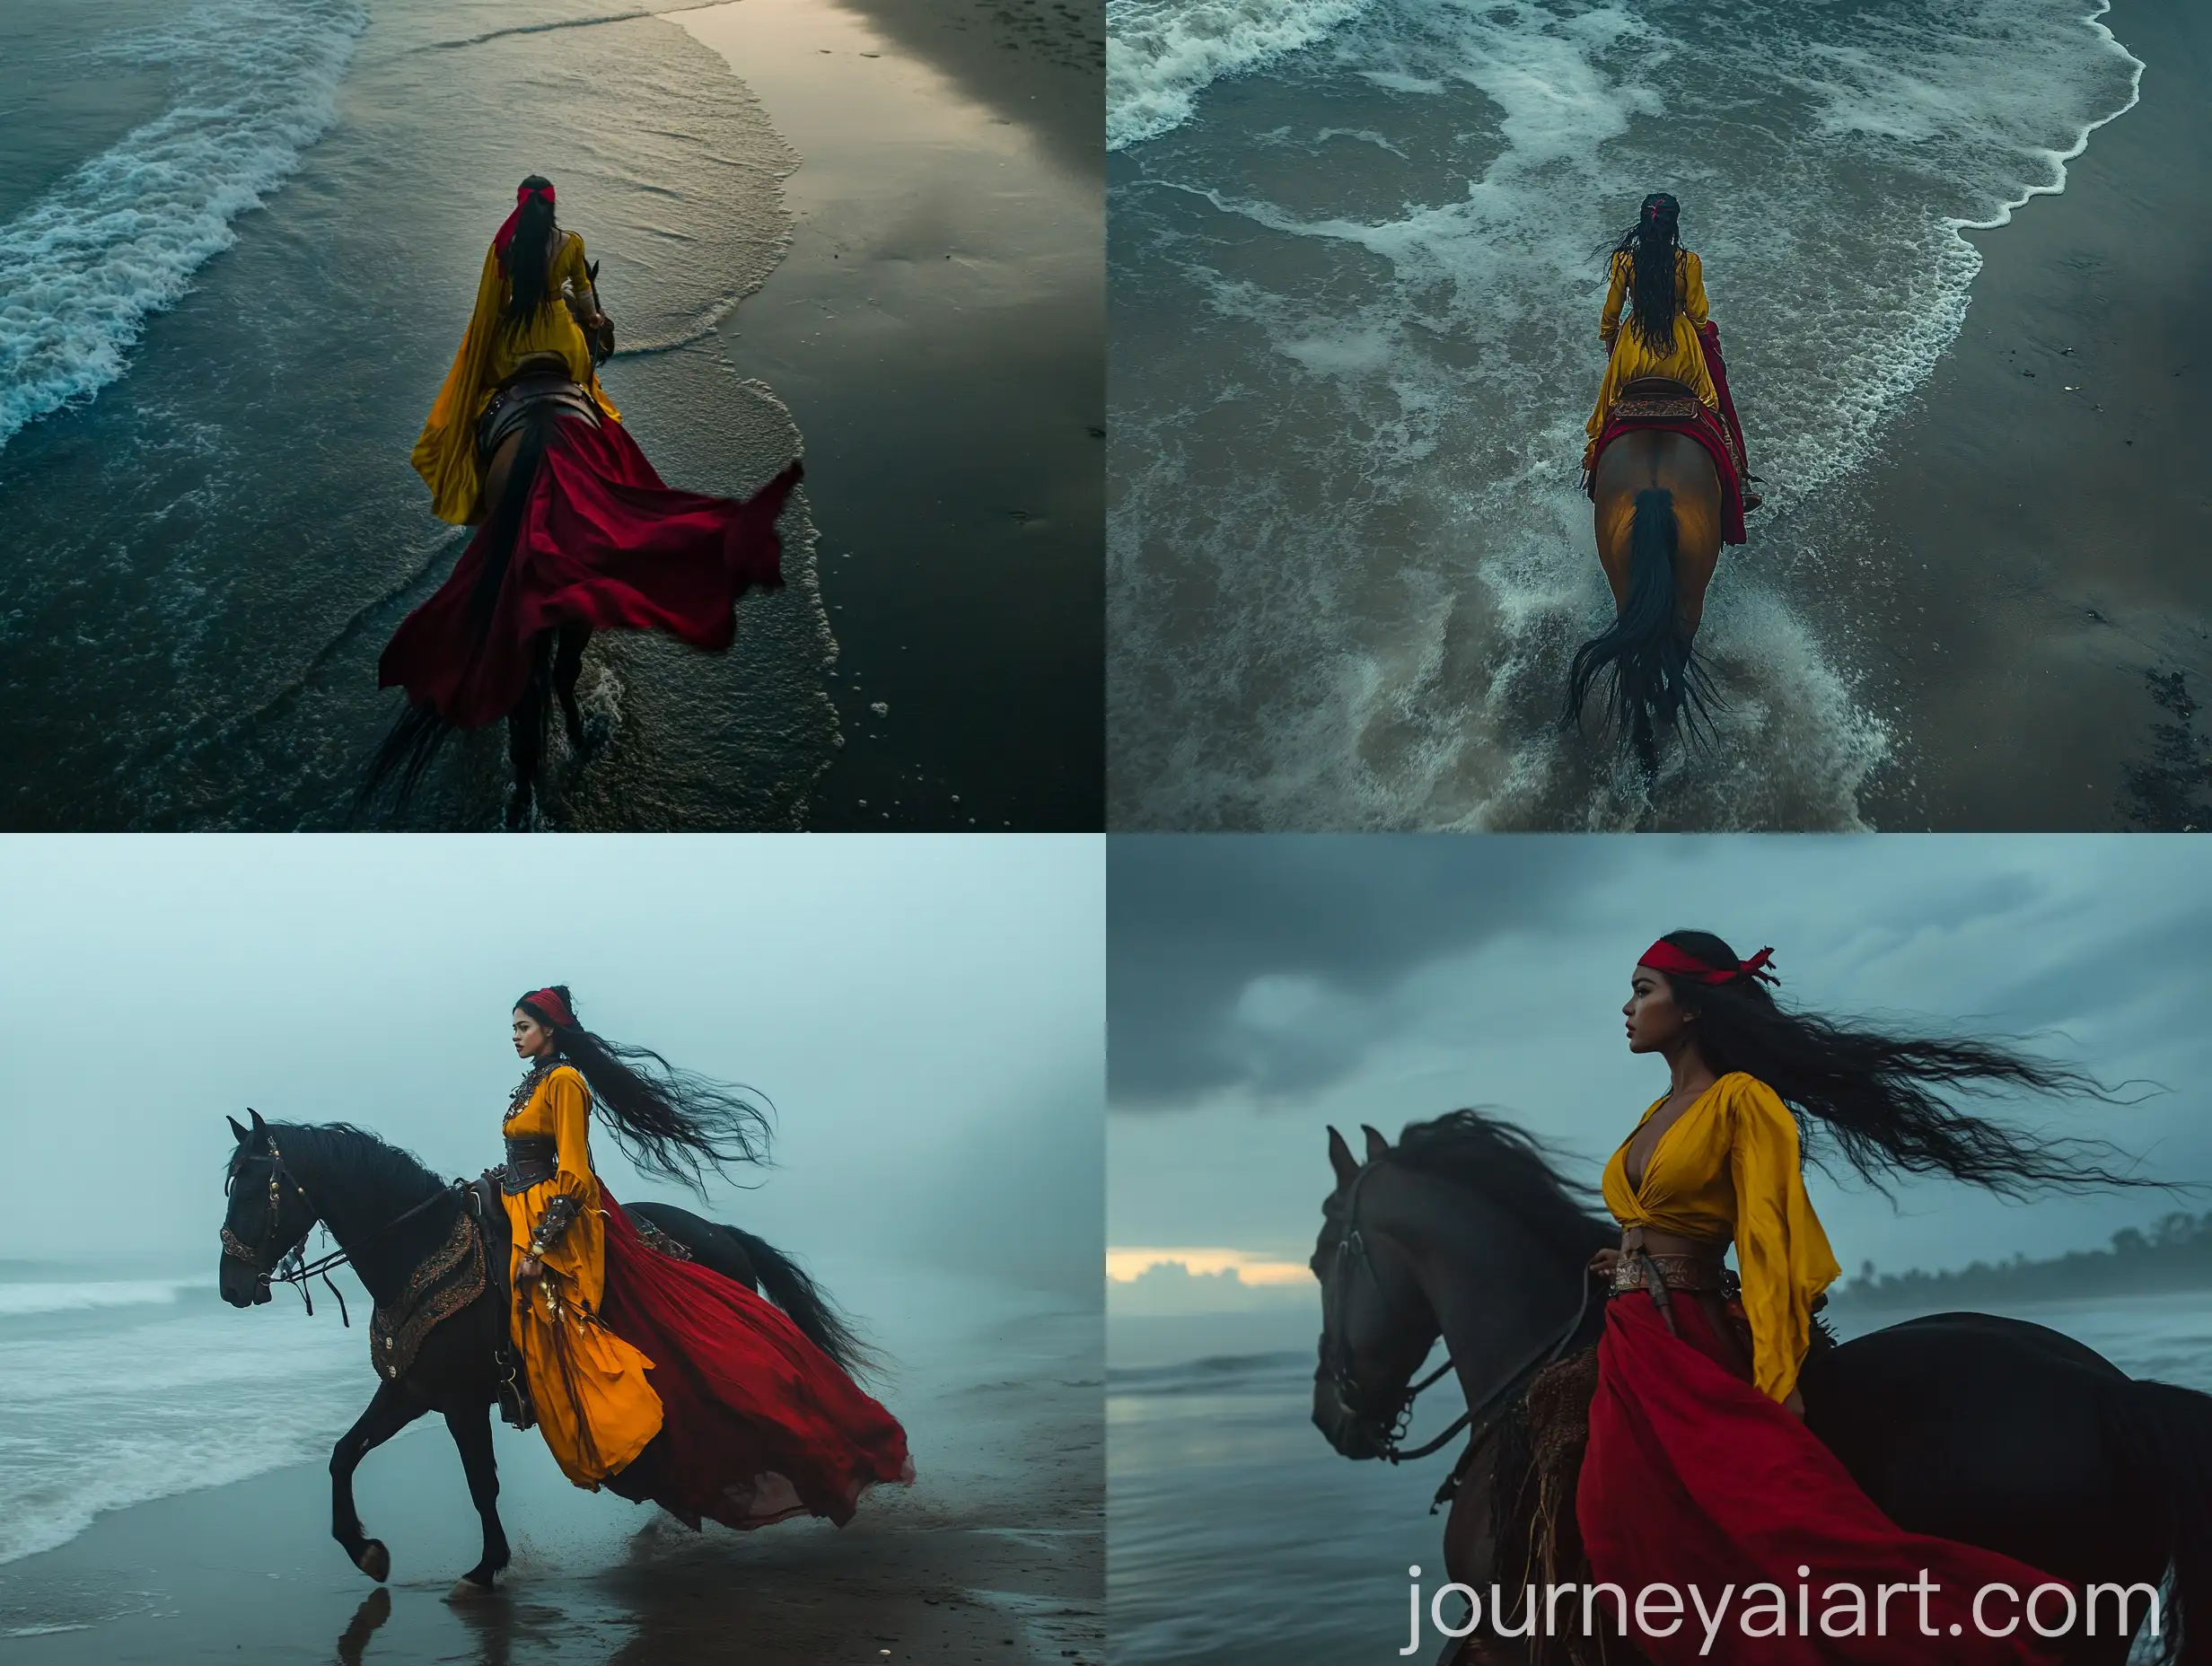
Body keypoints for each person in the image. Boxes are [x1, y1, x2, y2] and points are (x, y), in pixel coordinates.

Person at [1576, 932, 2146, 1663]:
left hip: (1684, 1333)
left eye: (1644, 989)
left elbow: (1770, 1242)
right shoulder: (1655, 1111)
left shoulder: (1743, 1103)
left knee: (1717, 1525)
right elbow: (1661, 1221)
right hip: (1632, 1328)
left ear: (1691, 1009)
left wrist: (1780, 1376)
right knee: (1610, 1523)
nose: (1626, 1006)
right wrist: (1625, 1260)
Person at [364, 177, 800, 827]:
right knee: (601, 424)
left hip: (511, 356)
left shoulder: (504, 253)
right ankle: (582, 627)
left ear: (517, 209)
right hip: (562, 353)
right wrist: (584, 311)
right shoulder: (572, 246)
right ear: (555, 209)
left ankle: (496, 537)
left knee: (489, 421)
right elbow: (592, 318)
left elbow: (485, 319)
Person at [500, 985, 911, 1527]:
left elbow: (574, 1175)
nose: (515, 1037)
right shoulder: (532, 1082)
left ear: (549, 1029)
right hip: (521, 1208)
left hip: (559, 1223)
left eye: (523, 1027)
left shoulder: (565, 1082)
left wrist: (541, 1245)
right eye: (513, 1029)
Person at [1583, 193, 1760, 512]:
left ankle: (1592, 475)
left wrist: (1614, 348)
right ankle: (1739, 479)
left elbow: (1610, 315)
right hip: (1680, 352)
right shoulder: (1688, 262)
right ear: (1673, 225)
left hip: (1632, 351)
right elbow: (1698, 315)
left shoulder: (1625, 260)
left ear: (1642, 222)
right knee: (1714, 407)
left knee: (1608, 412)